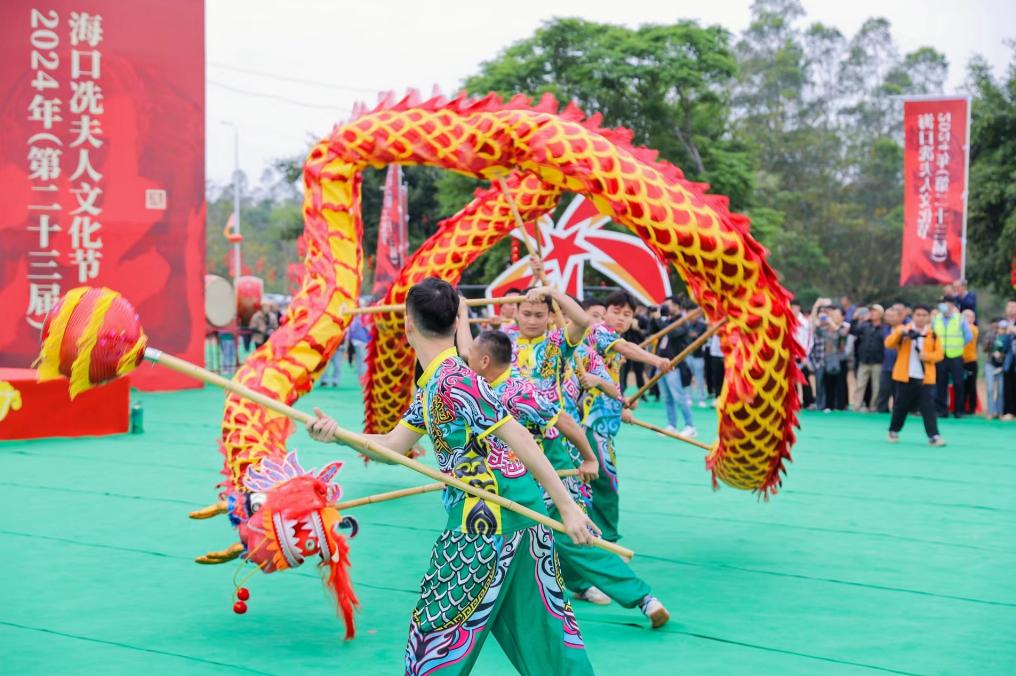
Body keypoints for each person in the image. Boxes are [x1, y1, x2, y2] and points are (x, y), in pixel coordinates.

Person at [307, 278, 598, 675]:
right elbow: (393, 446)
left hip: (483, 523)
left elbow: (517, 437)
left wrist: (568, 508)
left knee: (434, 636)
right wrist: (339, 436)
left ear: (408, 324)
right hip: (518, 516)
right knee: (546, 635)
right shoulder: (437, 383)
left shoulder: (453, 380)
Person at [463, 329, 670, 627]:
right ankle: (575, 585)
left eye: (470, 354)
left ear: (483, 360)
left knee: (573, 538)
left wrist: (589, 458)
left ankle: (644, 599)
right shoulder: (482, 388)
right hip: (508, 477)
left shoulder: (519, 391)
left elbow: (565, 420)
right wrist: (461, 314)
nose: (464, 357)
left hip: (548, 473)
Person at [886, 304, 945, 446]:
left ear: (928, 317)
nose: (920, 318)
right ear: (913, 316)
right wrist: (901, 334)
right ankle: (893, 430)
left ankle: (934, 436)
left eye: (924, 315)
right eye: (918, 315)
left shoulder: (933, 334)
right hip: (904, 376)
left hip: (926, 377)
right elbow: (889, 344)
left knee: (928, 408)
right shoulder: (903, 329)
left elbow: (940, 355)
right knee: (900, 406)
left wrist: (927, 356)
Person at [651, 297, 696, 436]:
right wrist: (656, 318)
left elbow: (671, 332)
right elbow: (650, 330)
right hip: (661, 363)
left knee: (679, 396)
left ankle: (690, 426)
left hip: (674, 364)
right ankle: (672, 425)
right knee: (667, 397)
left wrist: (659, 320)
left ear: (677, 306)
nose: (666, 307)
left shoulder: (683, 322)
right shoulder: (668, 320)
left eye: (668, 305)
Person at [932, 298, 973, 418]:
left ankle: (958, 410)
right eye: (942, 305)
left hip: (955, 355)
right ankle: (942, 410)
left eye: (946, 305)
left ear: (951, 306)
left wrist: (959, 346)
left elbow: (968, 336)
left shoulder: (960, 319)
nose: (944, 307)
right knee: (940, 384)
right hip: (940, 356)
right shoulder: (937, 319)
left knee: (958, 384)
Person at [850, 305, 885, 411]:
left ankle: (874, 406)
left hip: (878, 361)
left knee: (877, 386)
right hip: (864, 360)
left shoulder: (884, 327)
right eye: (871, 311)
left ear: (880, 314)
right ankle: (857, 406)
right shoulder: (865, 326)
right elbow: (853, 331)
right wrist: (855, 319)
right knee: (860, 385)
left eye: (874, 311)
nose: (872, 313)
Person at [875, 307, 900, 413]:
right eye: (888, 316)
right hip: (886, 364)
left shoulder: (904, 329)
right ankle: (882, 409)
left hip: (900, 365)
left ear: (899, 317)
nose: (890, 318)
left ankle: (898, 410)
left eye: (892, 316)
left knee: (898, 391)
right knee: (884, 389)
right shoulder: (882, 329)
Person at [983, 318, 1006, 420]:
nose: (997, 328)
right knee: (990, 389)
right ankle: (991, 411)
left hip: (1002, 366)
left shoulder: (1007, 337)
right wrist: (989, 343)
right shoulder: (990, 335)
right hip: (990, 364)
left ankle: (999, 411)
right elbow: (985, 349)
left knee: (1001, 391)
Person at [961, 309, 980, 414]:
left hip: (971, 361)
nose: (967, 318)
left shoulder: (973, 329)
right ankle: (961, 407)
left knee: (971, 385)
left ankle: (972, 408)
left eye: (969, 316)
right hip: (960, 360)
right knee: (961, 385)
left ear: (973, 319)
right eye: (965, 316)